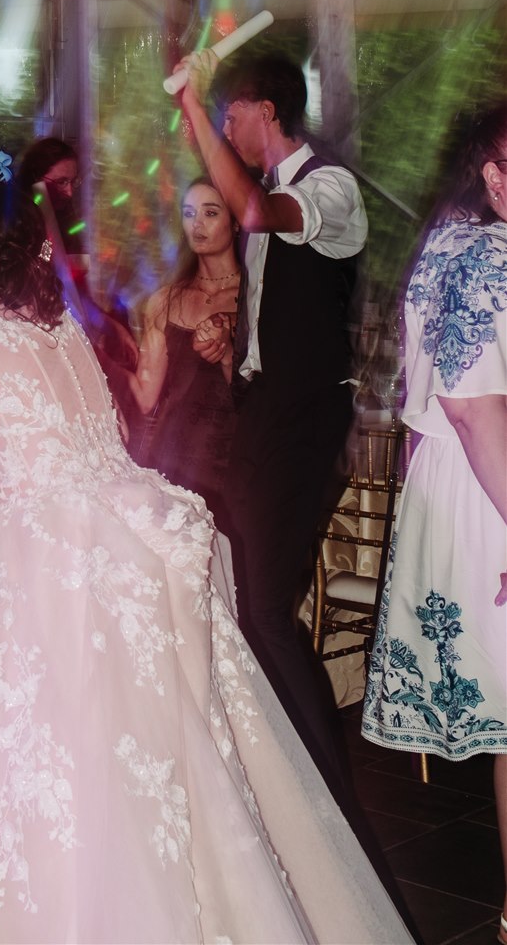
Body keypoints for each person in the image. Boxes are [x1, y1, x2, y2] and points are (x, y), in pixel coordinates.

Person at [0, 176, 412, 945]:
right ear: (42, 248)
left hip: (29, 579)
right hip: (121, 566)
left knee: (36, 776)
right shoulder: (68, 335)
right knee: (142, 773)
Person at [177, 46, 366, 809]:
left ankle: (326, 792)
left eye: (229, 115)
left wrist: (188, 103)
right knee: (241, 595)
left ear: (264, 112)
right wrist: (232, 351)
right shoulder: (262, 196)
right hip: (260, 411)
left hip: (304, 418)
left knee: (262, 609)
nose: (224, 128)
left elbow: (255, 214)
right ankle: (281, 770)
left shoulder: (330, 188)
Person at [363, 101, 507, 938]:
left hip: (461, 487)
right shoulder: (486, 253)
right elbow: (471, 407)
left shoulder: (450, 240)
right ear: (494, 174)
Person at [128, 177, 239, 529]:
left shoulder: (255, 299)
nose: (198, 224)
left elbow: (262, 398)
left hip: (232, 463)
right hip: (169, 460)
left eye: (211, 212)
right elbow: (146, 397)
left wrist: (227, 351)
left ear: (235, 221)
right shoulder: (165, 299)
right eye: (189, 213)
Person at [16, 134, 139, 428]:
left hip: (74, 334)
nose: (69, 192)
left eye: (74, 182)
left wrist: (109, 325)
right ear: (35, 177)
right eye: (60, 182)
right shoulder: (19, 226)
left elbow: (71, 289)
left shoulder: (69, 224)